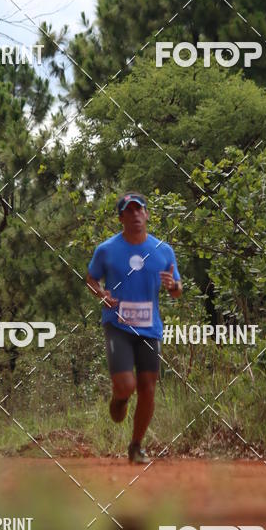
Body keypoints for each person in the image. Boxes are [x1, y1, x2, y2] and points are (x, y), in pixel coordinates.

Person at [86, 193, 182, 464]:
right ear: (121, 218)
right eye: (129, 212)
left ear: (147, 215)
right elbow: (91, 278)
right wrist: (101, 293)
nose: (135, 215)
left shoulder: (163, 251)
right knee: (127, 384)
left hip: (149, 328)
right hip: (118, 324)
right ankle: (119, 399)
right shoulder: (107, 250)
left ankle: (136, 446)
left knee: (148, 386)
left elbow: (177, 290)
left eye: (139, 210)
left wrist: (173, 286)